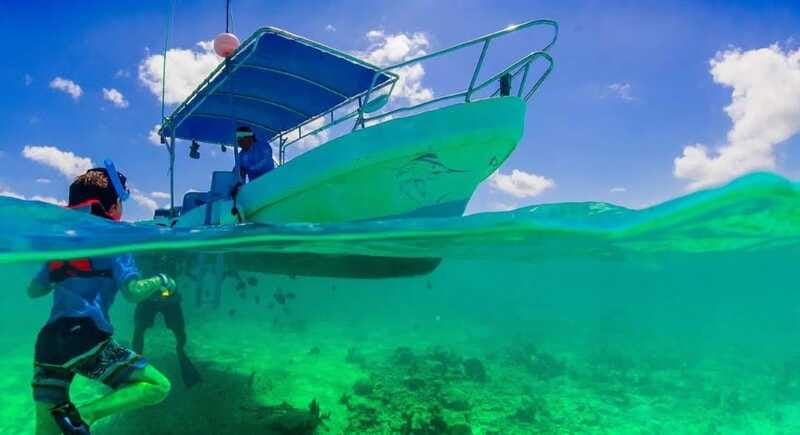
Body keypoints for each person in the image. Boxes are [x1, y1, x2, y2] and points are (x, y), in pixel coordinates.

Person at [28, 164, 175, 435]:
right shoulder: (114, 240)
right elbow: (133, 292)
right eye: (122, 200)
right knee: (158, 386)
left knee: (44, 431)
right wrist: (162, 281)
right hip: (85, 337)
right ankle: (84, 415)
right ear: (113, 207)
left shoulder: (62, 244)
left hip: (48, 342)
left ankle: (67, 418)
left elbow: (34, 290)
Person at [132, 255, 201, 388]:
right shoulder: (150, 251)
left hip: (165, 296)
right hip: (151, 295)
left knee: (175, 329)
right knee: (140, 328)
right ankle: (136, 362)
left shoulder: (168, 252)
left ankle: (181, 353)